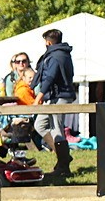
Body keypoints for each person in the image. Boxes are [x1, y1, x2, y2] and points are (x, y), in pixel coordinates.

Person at [31, 28, 76, 177]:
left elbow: (50, 77)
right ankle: (63, 156)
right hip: (54, 97)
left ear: (48, 42)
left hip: (59, 96)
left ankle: (63, 167)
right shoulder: (62, 54)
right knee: (40, 125)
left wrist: (38, 97)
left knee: (57, 129)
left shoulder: (56, 56)